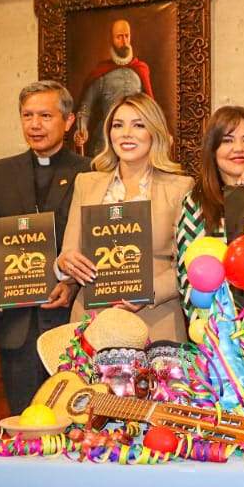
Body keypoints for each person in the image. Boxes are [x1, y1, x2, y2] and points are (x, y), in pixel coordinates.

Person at [0, 81, 90, 415]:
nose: (35, 125)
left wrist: (73, 284)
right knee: (23, 418)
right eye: (27, 115)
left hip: (70, 320)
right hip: (17, 324)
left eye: (45, 115)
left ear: (68, 121)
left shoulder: (91, 173)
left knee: (73, 418)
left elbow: (100, 241)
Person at [56, 93, 193, 342]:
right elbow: (68, 255)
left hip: (156, 323)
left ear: (154, 132)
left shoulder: (180, 188)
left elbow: (188, 266)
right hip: (92, 325)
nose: (126, 134)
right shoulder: (86, 183)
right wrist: (65, 264)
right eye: (118, 125)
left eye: (138, 125)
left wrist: (149, 292)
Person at [175, 105, 244, 315]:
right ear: (213, 149)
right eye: (227, 140)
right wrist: (220, 330)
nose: (239, 148)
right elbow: (188, 282)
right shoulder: (196, 202)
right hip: (222, 326)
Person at [75, 19, 154, 159]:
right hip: (105, 141)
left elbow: (150, 107)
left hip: (135, 139)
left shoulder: (140, 70)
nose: (124, 41)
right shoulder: (101, 74)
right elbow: (85, 108)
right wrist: (82, 129)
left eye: (126, 36)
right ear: (111, 39)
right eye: (119, 37)